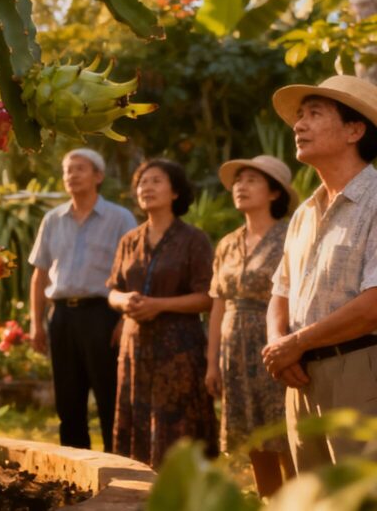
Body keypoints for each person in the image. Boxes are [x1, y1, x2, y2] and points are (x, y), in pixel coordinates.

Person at [261, 75, 377, 472]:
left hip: (361, 372)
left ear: (354, 130)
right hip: (300, 376)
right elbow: (281, 292)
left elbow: (374, 305)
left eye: (314, 114)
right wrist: (280, 347)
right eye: (299, 116)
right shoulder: (303, 213)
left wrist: (295, 343)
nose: (299, 125)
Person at [107, 158, 217, 467]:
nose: (146, 187)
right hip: (135, 350)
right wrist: (123, 301)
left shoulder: (194, 239)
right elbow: (112, 290)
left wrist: (160, 305)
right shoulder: (129, 240)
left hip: (179, 351)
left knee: (179, 431)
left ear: (176, 192)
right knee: (136, 434)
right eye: (142, 182)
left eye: (156, 181)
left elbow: (208, 297)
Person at [28, 148, 136, 451]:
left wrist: (125, 320)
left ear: (98, 176)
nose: (72, 175)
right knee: (68, 401)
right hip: (62, 316)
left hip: (103, 315)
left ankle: (119, 471)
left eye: (80, 168)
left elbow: (133, 273)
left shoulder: (120, 218)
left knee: (109, 397)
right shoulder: (52, 219)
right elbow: (40, 276)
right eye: (67, 170)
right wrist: (36, 324)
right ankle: (76, 472)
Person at [205, 155, 296, 495]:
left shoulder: (290, 236)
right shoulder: (227, 243)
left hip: (275, 342)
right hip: (234, 350)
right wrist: (212, 361)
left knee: (285, 433)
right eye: (238, 181)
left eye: (252, 180)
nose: (240, 186)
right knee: (253, 437)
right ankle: (268, 500)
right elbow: (217, 302)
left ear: (274, 192)